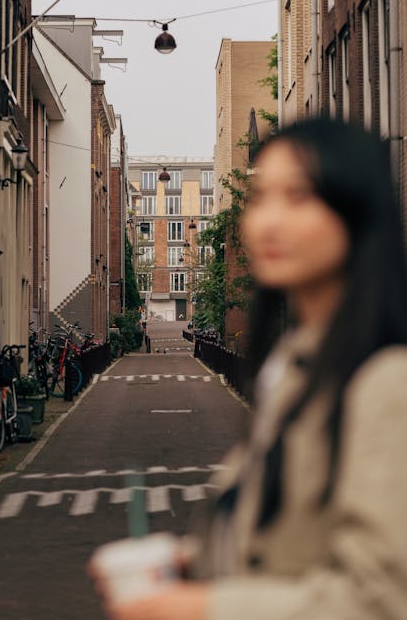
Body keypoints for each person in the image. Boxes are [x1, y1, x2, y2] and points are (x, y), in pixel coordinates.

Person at [96, 118, 407, 620]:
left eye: (299, 196)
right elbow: (282, 532)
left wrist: (201, 607)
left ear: (355, 213)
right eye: (261, 198)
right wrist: (187, 559)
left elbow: (384, 600)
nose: (267, 221)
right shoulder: (294, 369)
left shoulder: (386, 384)